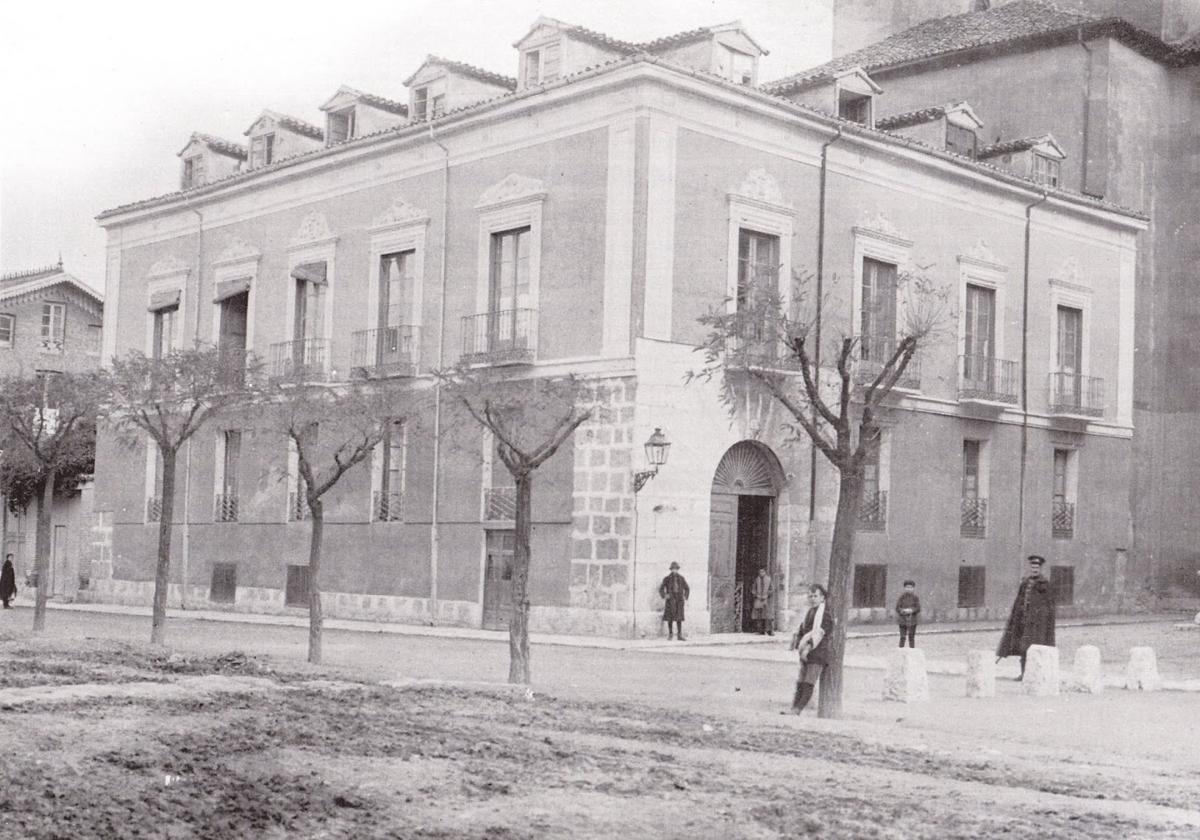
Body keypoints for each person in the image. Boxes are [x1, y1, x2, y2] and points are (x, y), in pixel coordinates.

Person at [996, 555, 1056, 679]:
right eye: (1033, 567)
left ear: (1040, 569)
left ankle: (1036, 674)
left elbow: (1048, 606)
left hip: (1038, 625)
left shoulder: (1044, 584)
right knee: (1023, 648)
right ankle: (1024, 674)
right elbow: (1019, 601)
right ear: (1030, 568)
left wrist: (1040, 618)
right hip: (1023, 621)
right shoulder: (1025, 583)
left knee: (1035, 648)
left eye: (1037, 567)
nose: (1035, 569)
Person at [787, 584, 833, 714]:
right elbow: (803, 629)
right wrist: (796, 641)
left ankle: (797, 710)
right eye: (810, 596)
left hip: (817, 652)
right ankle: (793, 708)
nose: (812, 598)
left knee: (809, 682)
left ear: (822, 598)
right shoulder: (810, 612)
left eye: (816, 596)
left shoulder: (825, 614)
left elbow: (820, 633)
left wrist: (808, 647)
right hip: (806, 653)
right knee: (800, 681)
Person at [659, 562, 690, 641]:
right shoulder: (667, 579)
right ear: (671, 569)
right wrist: (665, 595)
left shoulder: (681, 578)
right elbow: (661, 589)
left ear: (677, 569)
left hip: (679, 600)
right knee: (670, 618)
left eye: (676, 569)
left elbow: (687, 588)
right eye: (673, 569)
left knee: (679, 618)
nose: (674, 571)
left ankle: (679, 635)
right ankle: (670, 634)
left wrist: (685, 597)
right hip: (671, 600)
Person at [895, 579, 920, 648]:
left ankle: (912, 652)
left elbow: (918, 608)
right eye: (907, 587)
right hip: (902, 620)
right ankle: (900, 651)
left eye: (910, 587)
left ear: (913, 588)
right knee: (902, 637)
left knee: (911, 637)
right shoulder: (901, 597)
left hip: (912, 620)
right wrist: (903, 611)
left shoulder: (915, 598)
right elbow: (897, 608)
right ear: (904, 588)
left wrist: (911, 610)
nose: (909, 589)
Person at [751, 567, 774, 635]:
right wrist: (755, 594)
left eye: (762, 572)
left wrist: (767, 594)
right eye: (760, 572)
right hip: (758, 599)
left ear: (765, 572)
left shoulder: (769, 580)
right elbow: (753, 589)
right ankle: (760, 631)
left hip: (766, 599)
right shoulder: (756, 580)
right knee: (758, 615)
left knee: (767, 616)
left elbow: (772, 589)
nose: (761, 573)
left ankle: (769, 630)